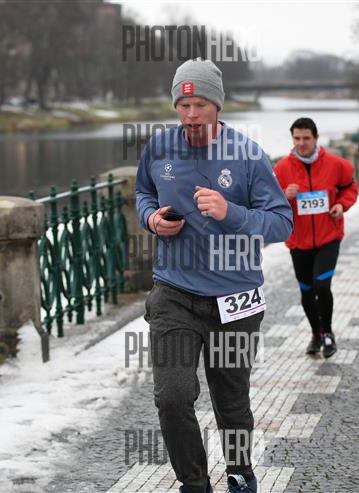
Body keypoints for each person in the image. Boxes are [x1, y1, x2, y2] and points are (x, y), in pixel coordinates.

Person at [135, 58, 293, 493]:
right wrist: (151, 219)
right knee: (171, 397)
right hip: (173, 293)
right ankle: (194, 484)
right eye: (183, 105)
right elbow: (143, 191)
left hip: (234, 299)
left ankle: (240, 473)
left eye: (200, 105)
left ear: (217, 105)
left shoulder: (247, 155)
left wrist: (231, 213)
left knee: (231, 401)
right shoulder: (159, 148)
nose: (191, 115)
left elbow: (281, 222)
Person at [273, 118, 358, 358]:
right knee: (307, 289)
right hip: (298, 240)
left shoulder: (336, 164)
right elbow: (267, 201)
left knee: (322, 285)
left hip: (328, 237)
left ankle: (328, 333)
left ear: (316, 138)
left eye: (306, 138)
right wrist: (284, 195)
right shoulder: (281, 168)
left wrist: (341, 205)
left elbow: (350, 187)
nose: (301, 143)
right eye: (297, 138)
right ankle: (316, 334)